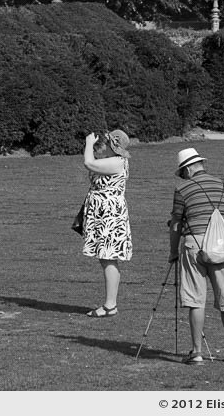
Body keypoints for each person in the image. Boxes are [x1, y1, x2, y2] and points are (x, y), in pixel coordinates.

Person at [168, 147, 224, 365]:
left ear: (188, 169)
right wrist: (221, 242)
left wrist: (173, 252)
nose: (182, 176)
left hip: (194, 245)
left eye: (182, 172)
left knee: (195, 300)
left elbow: (176, 224)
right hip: (220, 246)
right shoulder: (223, 186)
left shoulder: (183, 190)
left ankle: (197, 352)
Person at [81, 129, 132, 317]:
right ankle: (110, 303)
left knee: (108, 256)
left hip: (109, 215)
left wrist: (88, 144)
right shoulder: (112, 161)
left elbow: (89, 163)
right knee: (105, 257)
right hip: (103, 213)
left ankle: (111, 305)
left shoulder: (117, 162)